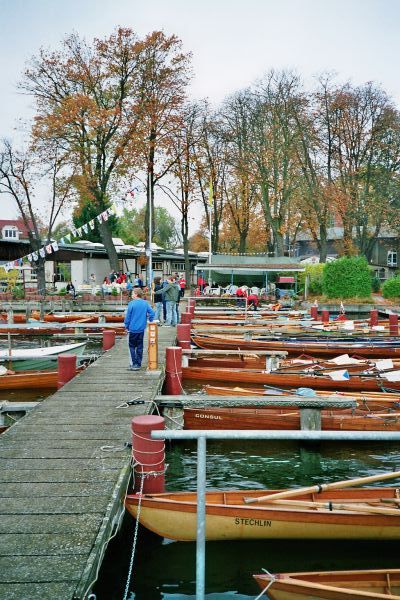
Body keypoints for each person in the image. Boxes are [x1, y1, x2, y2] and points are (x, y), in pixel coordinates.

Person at [124, 288, 155, 370]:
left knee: (131, 347)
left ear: (136, 294)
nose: (131, 295)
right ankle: (139, 363)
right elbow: (152, 313)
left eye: (132, 293)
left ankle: (133, 364)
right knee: (140, 347)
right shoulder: (145, 303)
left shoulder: (131, 304)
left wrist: (126, 326)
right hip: (141, 329)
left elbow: (128, 317)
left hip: (132, 329)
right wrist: (150, 320)